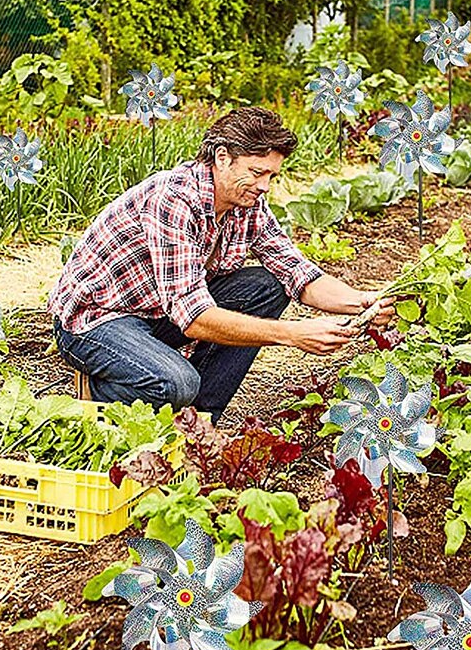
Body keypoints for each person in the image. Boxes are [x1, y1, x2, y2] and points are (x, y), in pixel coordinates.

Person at [49, 107, 394, 425]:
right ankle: (100, 393)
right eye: (257, 172)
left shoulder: (246, 203)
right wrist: (292, 335)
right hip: (96, 321)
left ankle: (199, 422)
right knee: (177, 383)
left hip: (156, 313)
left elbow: (297, 273)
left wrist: (362, 301)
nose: (265, 186)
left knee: (267, 285)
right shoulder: (174, 200)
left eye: (272, 175)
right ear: (222, 157)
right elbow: (194, 316)